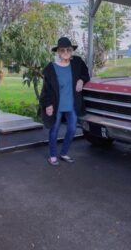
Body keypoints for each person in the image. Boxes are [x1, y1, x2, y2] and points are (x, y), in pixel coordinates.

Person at [40, 37, 90, 166]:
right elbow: (46, 90)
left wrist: (81, 80)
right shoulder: (51, 68)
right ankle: (52, 155)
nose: (66, 52)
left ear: (72, 50)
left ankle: (63, 153)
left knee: (72, 129)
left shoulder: (77, 63)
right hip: (57, 106)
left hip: (71, 104)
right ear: (58, 52)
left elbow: (86, 74)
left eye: (69, 49)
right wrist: (47, 105)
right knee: (54, 130)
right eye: (63, 50)